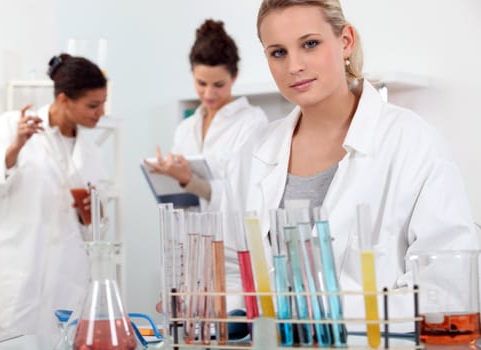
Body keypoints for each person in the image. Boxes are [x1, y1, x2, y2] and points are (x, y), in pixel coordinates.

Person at [221, 0, 478, 329]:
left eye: (310, 44)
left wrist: (328, 311)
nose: (294, 66)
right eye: (278, 52)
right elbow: (230, 270)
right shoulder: (251, 155)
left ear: (346, 41)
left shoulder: (411, 141)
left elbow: (448, 288)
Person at [0, 53, 110, 338]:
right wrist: (15, 147)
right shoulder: (10, 127)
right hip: (15, 277)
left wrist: (92, 210)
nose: (100, 112)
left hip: (66, 281)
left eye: (103, 103)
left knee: (61, 338)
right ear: (64, 99)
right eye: (93, 105)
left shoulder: (92, 153)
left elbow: (95, 226)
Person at [145, 19, 268, 209]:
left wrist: (190, 181)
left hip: (229, 236)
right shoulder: (186, 128)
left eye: (218, 85)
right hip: (189, 234)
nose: (209, 94)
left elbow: (244, 198)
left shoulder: (251, 122)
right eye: (201, 83)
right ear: (192, 74)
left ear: (234, 76)